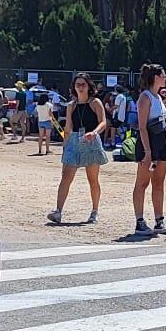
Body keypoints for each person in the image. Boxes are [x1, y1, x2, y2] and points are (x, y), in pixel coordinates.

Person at [48, 73, 109, 225]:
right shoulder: (71, 105)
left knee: (92, 179)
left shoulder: (95, 102)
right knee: (66, 177)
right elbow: (68, 128)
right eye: (78, 85)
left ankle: (94, 212)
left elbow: (103, 122)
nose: (80, 87)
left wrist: (94, 132)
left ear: (89, 86)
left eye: (83, 84)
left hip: (92, 141)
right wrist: (65, 145)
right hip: (74, 141)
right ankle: (58, 211)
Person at [132, 62, 166, 237]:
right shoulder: (145, 97)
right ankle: (140, 221)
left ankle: (159, 220)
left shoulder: (158, 97)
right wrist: (148, 152)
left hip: (161, 143)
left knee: (159, 183)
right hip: (149, 144)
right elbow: (142, 127)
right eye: (163, 75)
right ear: (156, 77)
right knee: (142, 183)